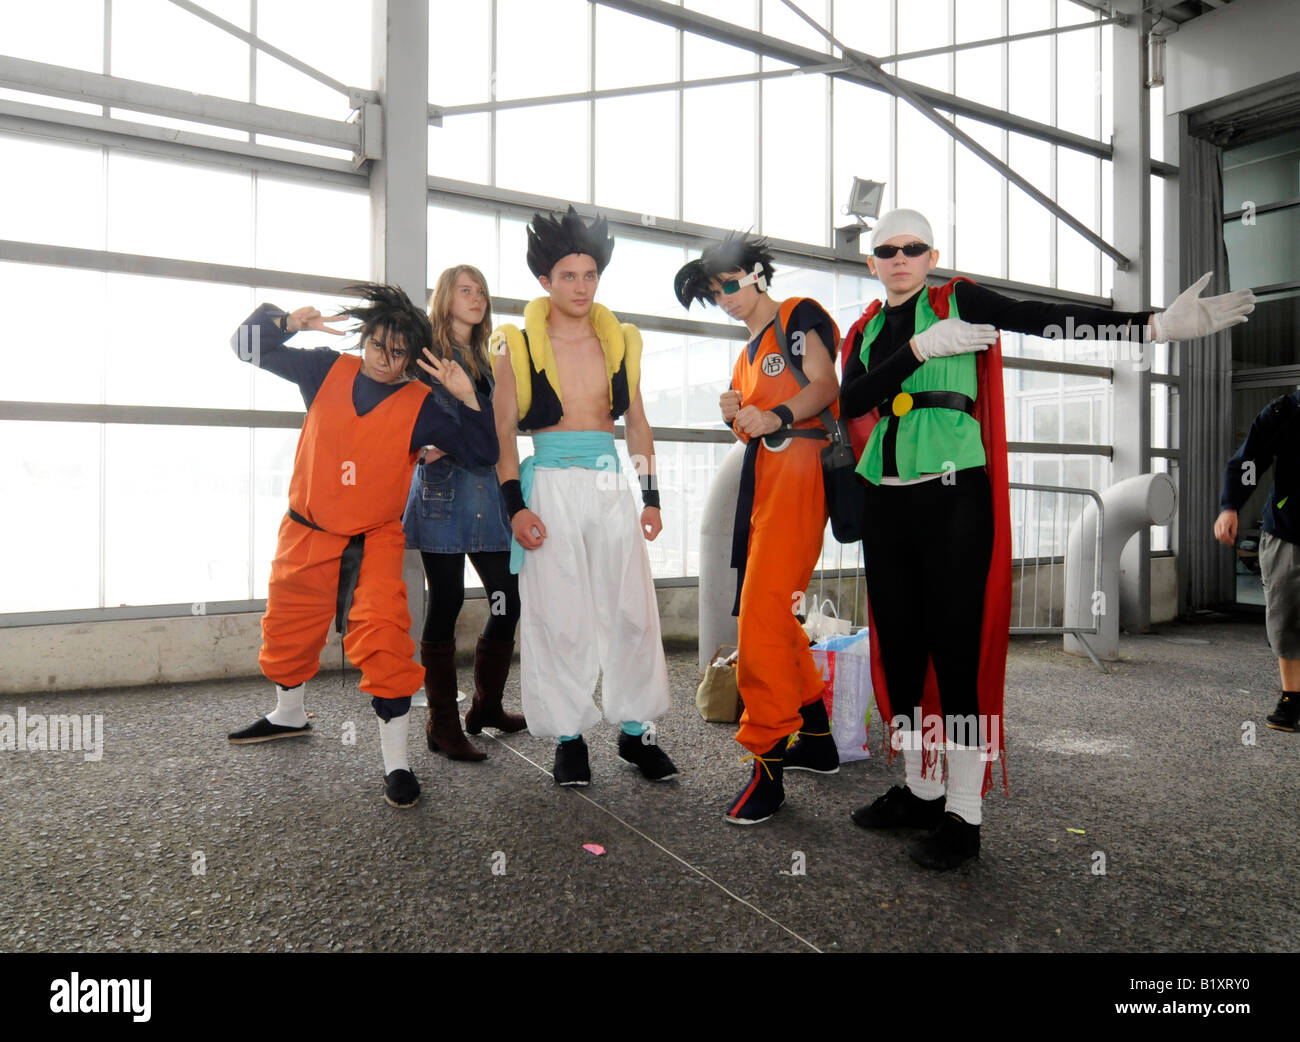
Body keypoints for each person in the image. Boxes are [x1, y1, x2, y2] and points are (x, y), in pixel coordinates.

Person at [841, 209, 1255, 869]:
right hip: (885, 502)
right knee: (902, 657)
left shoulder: (959, 299)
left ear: (931, 254)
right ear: (871, 260)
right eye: (886, 249)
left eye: (912, 247)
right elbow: (851, 400)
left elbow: (1039, 315)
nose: (899, 258)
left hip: (952, 499)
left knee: (954, 656)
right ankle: (921, 789)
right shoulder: (863, 330)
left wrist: (1149, 327)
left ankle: (964, 814)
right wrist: (919, 350)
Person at [226, 283, 499, 809]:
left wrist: (467, 396)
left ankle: (396, 763)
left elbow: (484, 451)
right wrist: (285, 323)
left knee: (385, 641)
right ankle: (289, 714)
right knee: (288, 627)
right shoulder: (327, 369)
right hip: (306, 529)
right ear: (366, 339)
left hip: (374, 539)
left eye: (399, 353)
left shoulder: (423, 405)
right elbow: (244, 347)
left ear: (412, 359)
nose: (385, 360)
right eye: (378, 346)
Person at [491, 206, 677, 786]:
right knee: (558, 614)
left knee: (631, 612)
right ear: (544, 280)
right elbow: (501, 434)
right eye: (567, 276)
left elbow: (638, 423)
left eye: (589, 275)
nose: (580, 286)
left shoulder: (618, 340)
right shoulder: (513, 343)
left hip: (608, 483)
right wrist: (515, 506)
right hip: (548, 484)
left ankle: (634, 732)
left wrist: (650, 496)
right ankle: (569, 738)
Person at [674, 233, 843, 825]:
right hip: (765, 483)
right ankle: (817, 740)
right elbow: (758, 429)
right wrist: (737, 420)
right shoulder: (745, 357)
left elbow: (824, 388)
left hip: (800, 478)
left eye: (726, 285)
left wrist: (771, 413)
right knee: (771, 615)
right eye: (711, 293)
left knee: (764, 617)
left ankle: (767, 768)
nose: (722, 298)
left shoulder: (797, 317)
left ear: (753, 274)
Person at [403, 266, 525, 763]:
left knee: (506, 600)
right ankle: (442, 724)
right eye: (465, 289)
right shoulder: (427, 352)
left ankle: (486, 708)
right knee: (447, 600)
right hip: (444, 489)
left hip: (487, 489)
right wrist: (422, 444)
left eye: (481, 291)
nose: (476, 298)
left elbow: (501, 427)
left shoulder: (491, 356)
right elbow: (411, 410)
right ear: (445, 298)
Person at [1215, 388, 1300, 733]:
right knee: (1285, 617)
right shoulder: (1283, 412)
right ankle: (1292, 698)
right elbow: (1251, 460)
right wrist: (1230, 504)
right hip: (1288, 532)